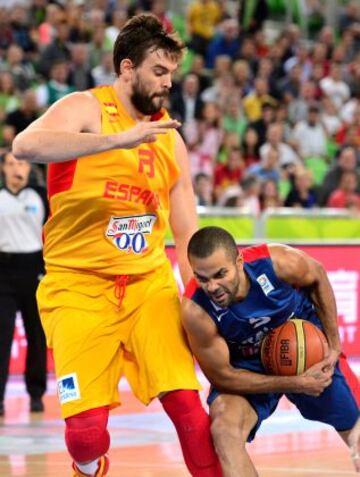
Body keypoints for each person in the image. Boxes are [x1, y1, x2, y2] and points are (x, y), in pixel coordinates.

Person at [12, 14, 221, 477]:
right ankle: (92, 464)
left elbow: (186, 232)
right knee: (85, 438)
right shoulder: (86, 107)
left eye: (172, 73)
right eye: (158, 72)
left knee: (189, 411)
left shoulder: (171, 141)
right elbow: (26, 146)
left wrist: (199, 297)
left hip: (148, 287)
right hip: (77, 288)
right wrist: (117, 141)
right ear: (128, 68)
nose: (168, 83)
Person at [182, 226, 360, 477]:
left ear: (239, 261)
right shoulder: (196, 311)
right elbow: (224, 376)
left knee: (357, 430)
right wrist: (296, 383)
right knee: (224, 429)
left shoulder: (277, 263)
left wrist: (334, 345)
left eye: (220, 274)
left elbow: (317, 275)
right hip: (246, 365)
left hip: (303, 348)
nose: (212, 286)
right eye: (202, 278)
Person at [0, 150, 48, 415]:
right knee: (2, 336)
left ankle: (36, 394)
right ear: (3, 169)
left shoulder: (40, 197)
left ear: (29, 167)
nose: (15, 168)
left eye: (20, 163)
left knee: (36, 335)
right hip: (4, 271)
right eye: (10, 164)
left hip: (33, 270)